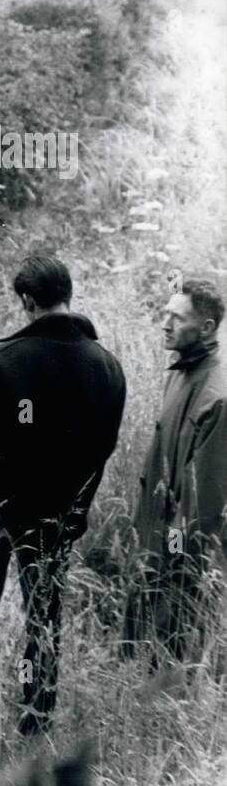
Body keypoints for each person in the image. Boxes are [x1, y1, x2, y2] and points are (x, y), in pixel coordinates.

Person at [0, 255, 126, 736]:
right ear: (69, 293)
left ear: (26, 300)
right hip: (58, 513)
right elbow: (103, 446)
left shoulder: (3, 362)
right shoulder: (107, 367)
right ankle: (36, 717)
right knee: (44, 616)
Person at [124, 278, 226, 663]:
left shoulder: (218, 397)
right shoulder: (179, 372)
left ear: (206, 328)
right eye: (165, 313)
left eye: (177, 317)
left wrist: (172, 555)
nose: (165, 324)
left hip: (178, 550)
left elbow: (203, 505)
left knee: (173, 643)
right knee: (141, 645)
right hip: (155, 537)